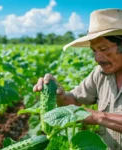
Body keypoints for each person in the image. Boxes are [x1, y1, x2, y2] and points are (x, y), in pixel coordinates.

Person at [33, 8, 122, 150]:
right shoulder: (100, 74)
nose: (97, 58)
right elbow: (74, 99)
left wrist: (98, 117)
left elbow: (93, 116)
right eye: (94, 50)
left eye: (104, 49)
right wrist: (58, 93)